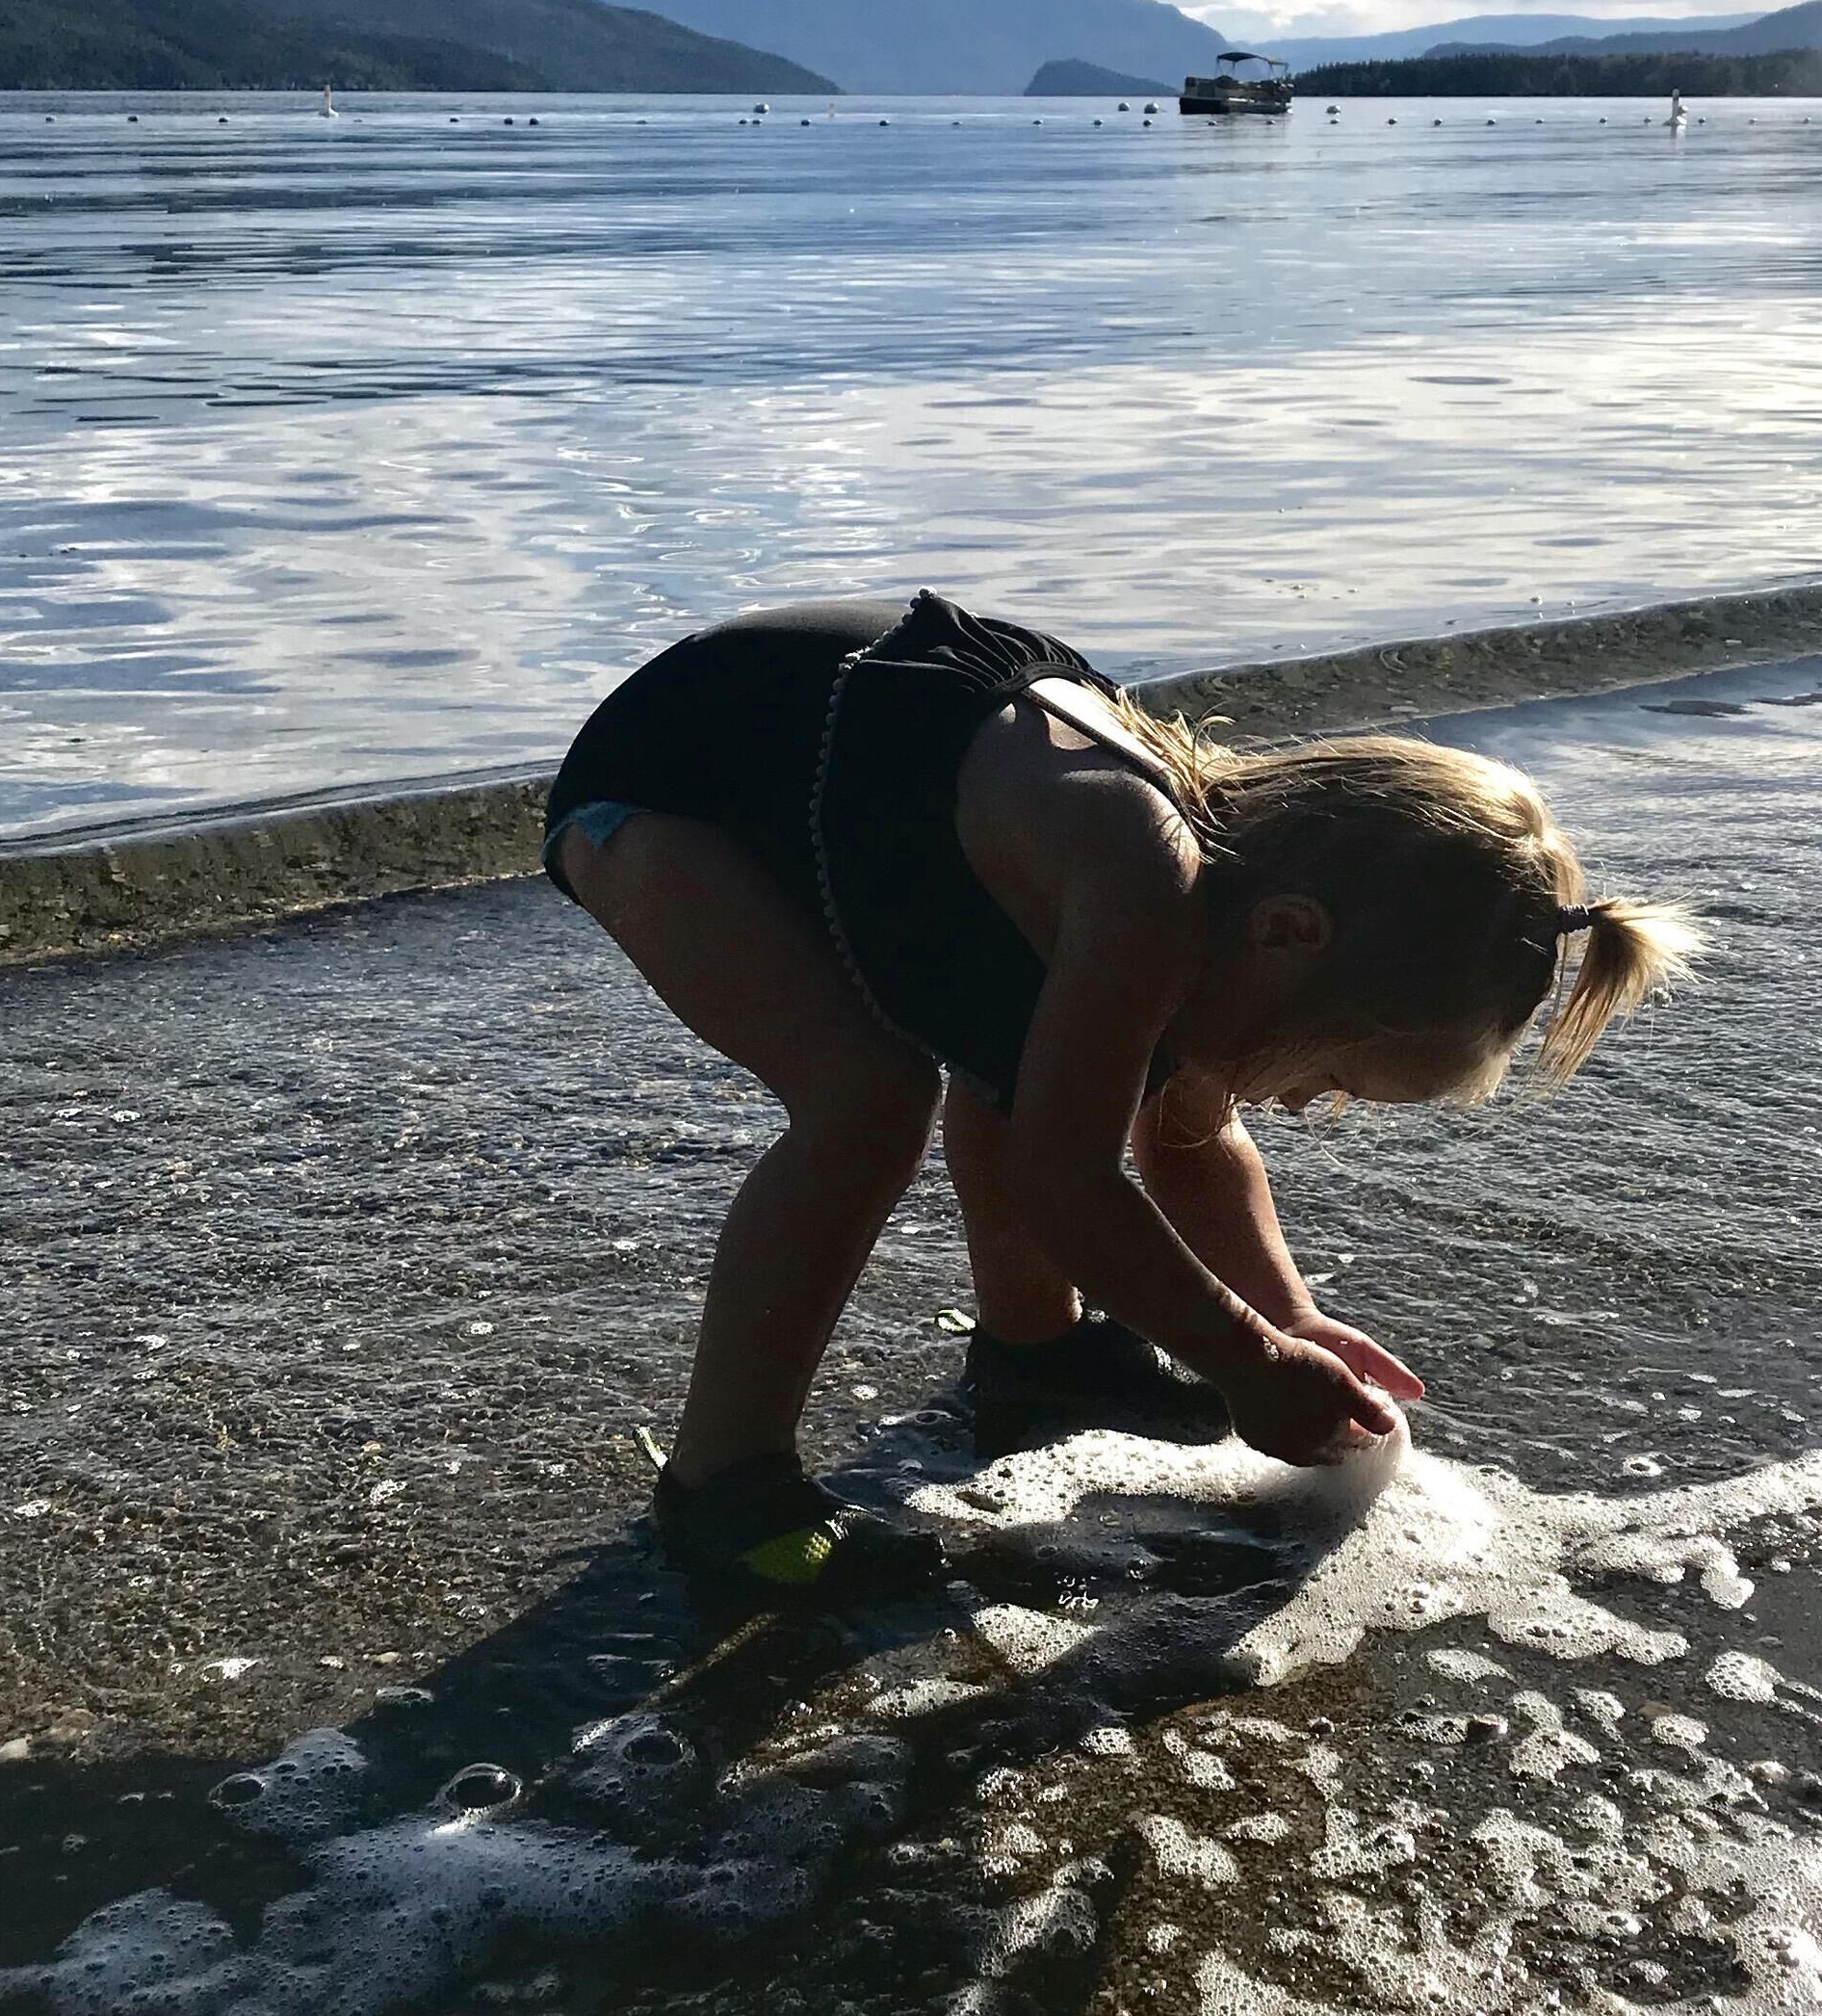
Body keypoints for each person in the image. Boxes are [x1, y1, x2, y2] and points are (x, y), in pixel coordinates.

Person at [544, 591, 1693, 1599]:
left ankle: (1034, 1352)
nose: (1302, 1107)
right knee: (867, 1097)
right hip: (671, 789)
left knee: (1034, 1075)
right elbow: (1066, 1179)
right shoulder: (1144, 891)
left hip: (838, 781)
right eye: (1328, 1075)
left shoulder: (1214, 912)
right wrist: (1243, 1361)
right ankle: (723, 1485)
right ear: (1291, 935)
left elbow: (1188, 1142)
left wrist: (1286, 1319)